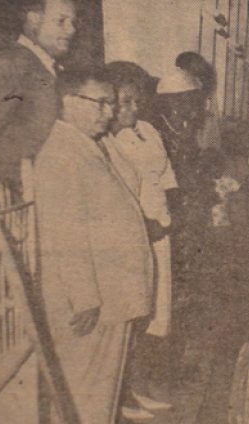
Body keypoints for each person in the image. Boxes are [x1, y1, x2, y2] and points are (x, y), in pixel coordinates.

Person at [34, 68, 154, 424]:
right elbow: (63, 231)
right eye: (100, 103)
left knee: (100, 398)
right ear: (67, 101)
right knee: (87, 398)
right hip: (93, 303)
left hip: (110, 296)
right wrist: (84, 296)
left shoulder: (86, 146)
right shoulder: (60, 154)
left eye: (111, 104)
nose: (108, 112)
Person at [102, 61, 177, 420]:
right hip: (136, 237)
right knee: (132, 317)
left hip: (161, 230)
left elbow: (165, 178)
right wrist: (147, 224)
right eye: (124, 103)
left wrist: (169, 218)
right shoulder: (104, 142)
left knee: (157, 316)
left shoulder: (148, 130)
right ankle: (121, 396)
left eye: (136, 101)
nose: (132, 109)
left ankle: (136, 388)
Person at [0, 0, 76, 206]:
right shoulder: (11, 63)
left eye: (73, 22)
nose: (71, 30)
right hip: (13, 199)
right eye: (61, 21)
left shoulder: (47, 67)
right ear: (33, 19)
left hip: (45, 191)